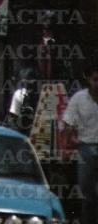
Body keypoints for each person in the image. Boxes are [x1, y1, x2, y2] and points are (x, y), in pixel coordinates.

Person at [63, 66, 98, 224]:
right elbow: (68, 123)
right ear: (89, 80)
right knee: (86, 191)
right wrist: (66, 146)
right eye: (95, 80)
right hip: (86, 147)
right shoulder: (79, 98)